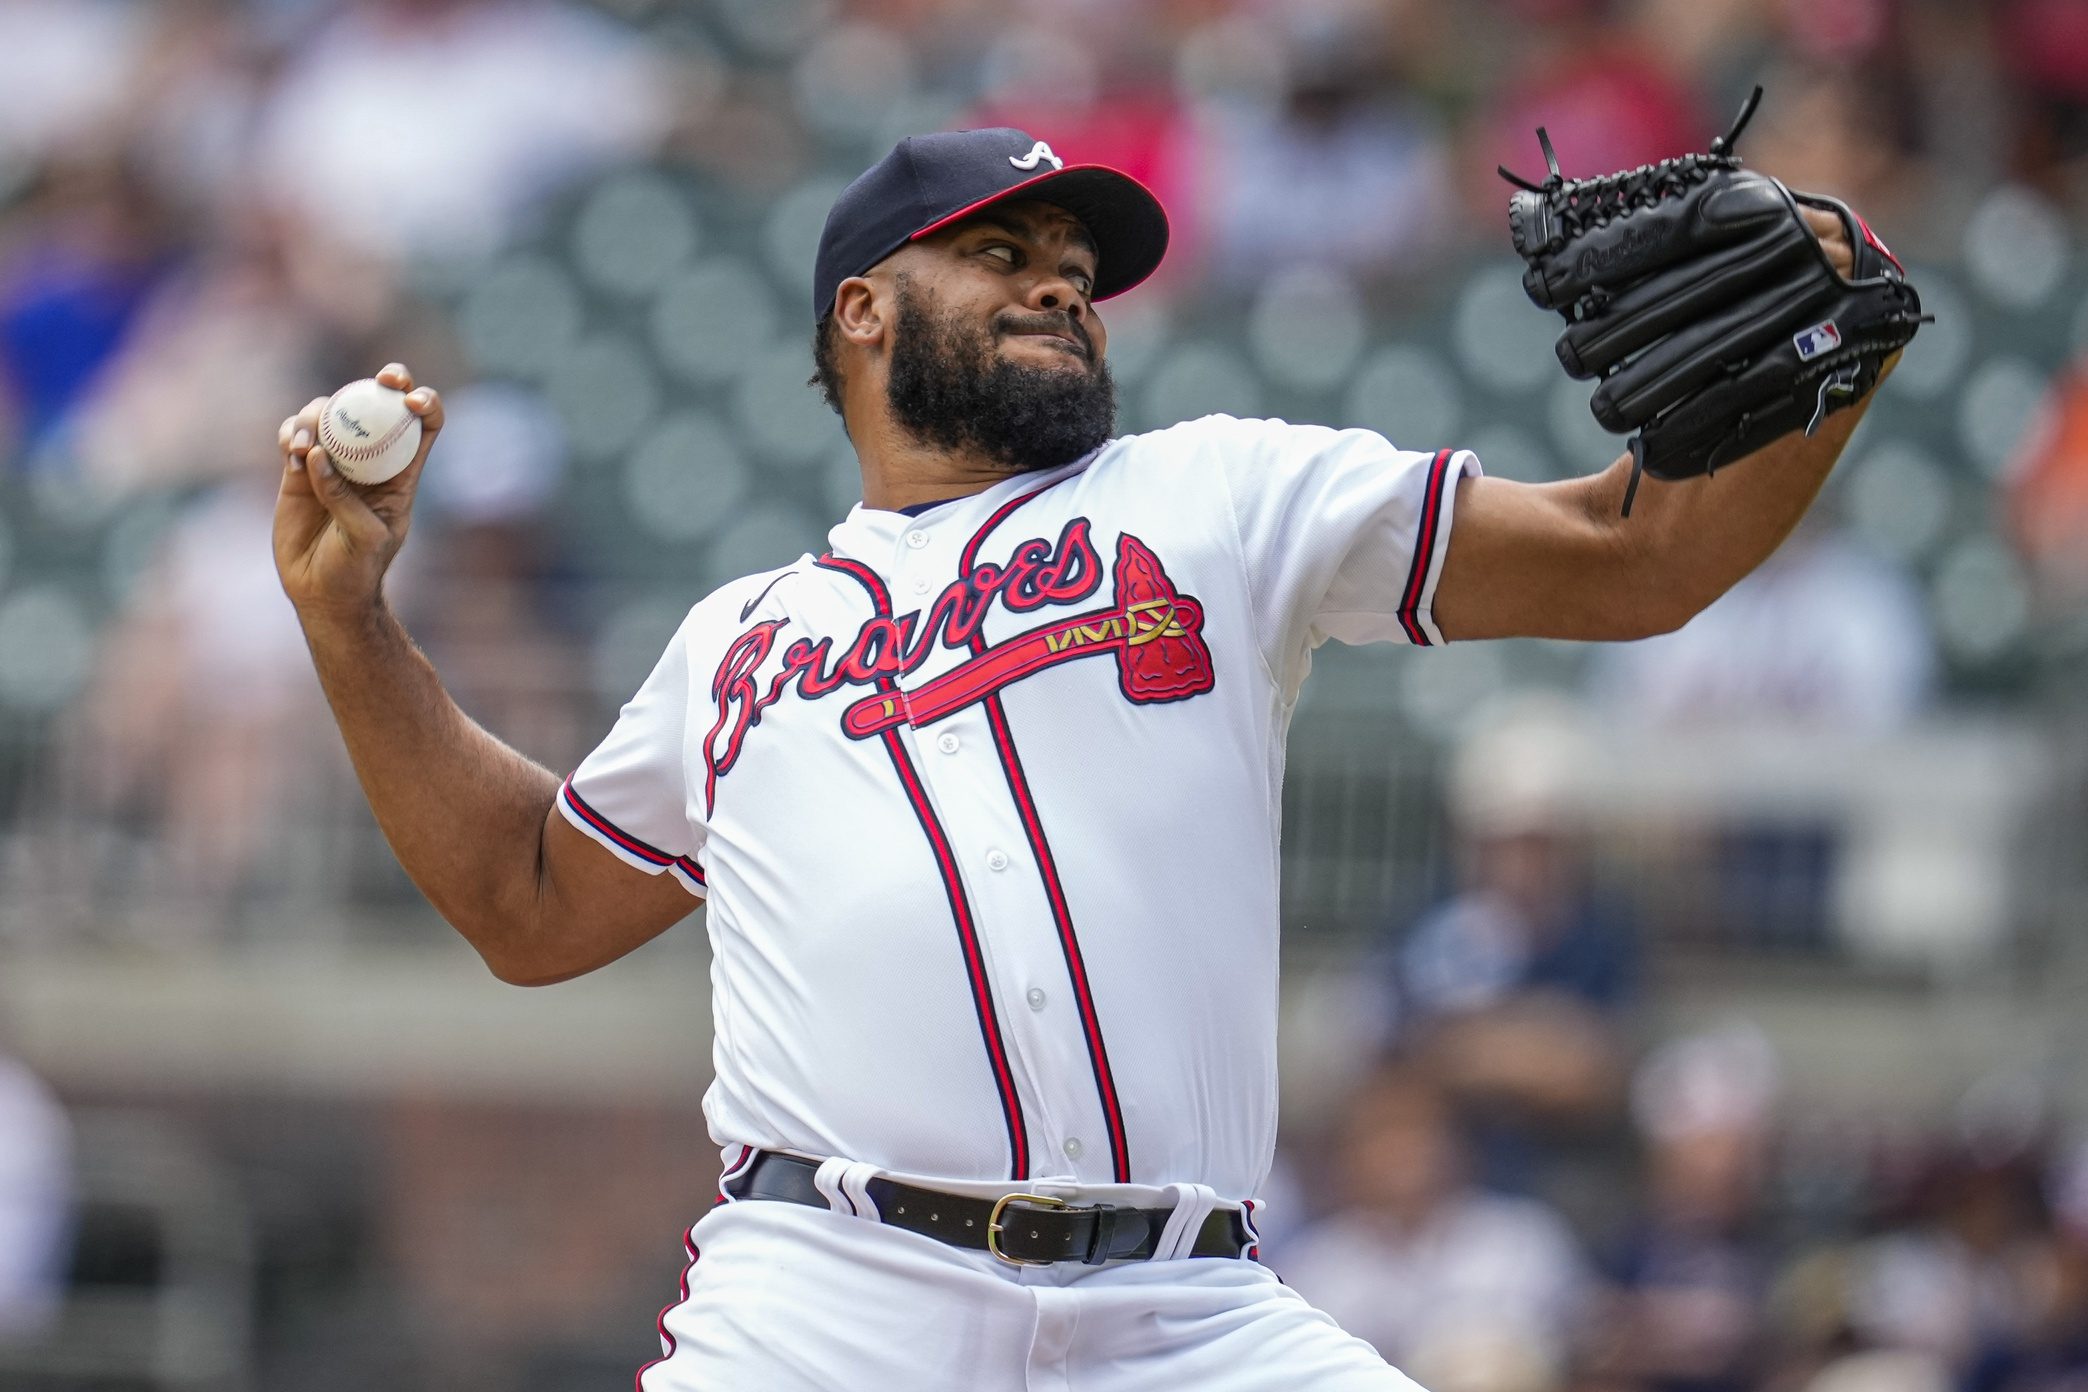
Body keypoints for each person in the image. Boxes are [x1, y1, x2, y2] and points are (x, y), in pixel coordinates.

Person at [270, 126, 1887, 1389]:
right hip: (835, 1308)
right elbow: (528, 905)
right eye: (1005, 252)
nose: (1060, 282)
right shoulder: (738, 639)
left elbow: (1639, 557)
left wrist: (1832, 348)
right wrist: (351, 622)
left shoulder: (1223, 499)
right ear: (863, 310)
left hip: (1187, 1314)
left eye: (1077, 267)